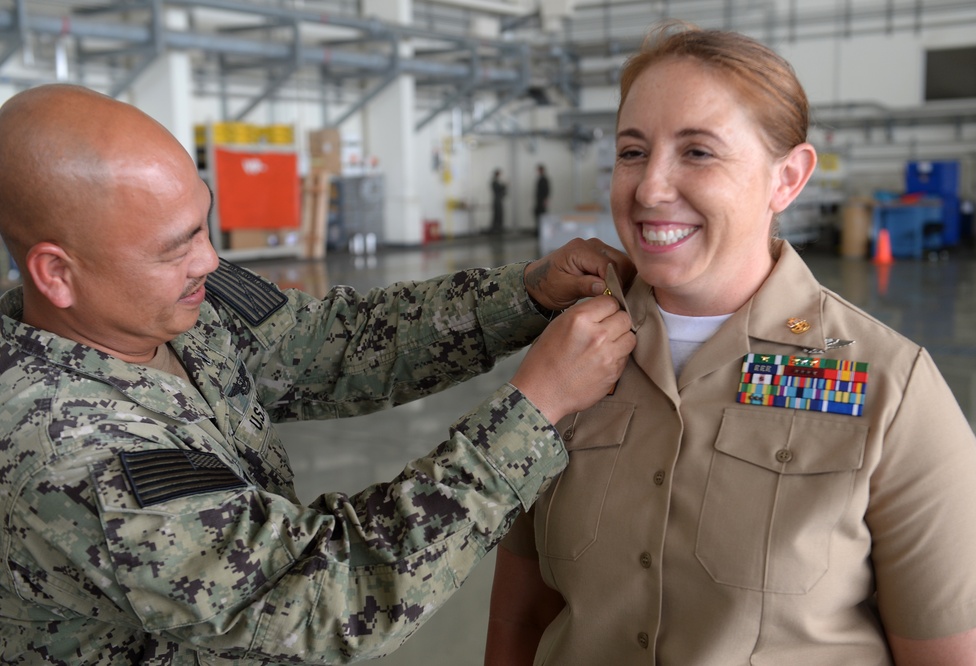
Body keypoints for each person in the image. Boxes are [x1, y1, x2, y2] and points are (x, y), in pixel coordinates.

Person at [0, 84, 637, 663]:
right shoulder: (66, 451)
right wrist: (534, 409)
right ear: (57, 273)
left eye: (204, 223)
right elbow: (327, 594)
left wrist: (524, 293)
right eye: (176, 245)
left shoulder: (168, 305)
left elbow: (333, 344)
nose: (210, 258)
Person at [485, 21, 976, 666]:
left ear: (787, 179)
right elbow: (520, 614)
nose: (649, 188)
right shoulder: (563, 365)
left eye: (698, 152)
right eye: (632, 151)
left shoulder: (888, 387)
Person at [533, 164, 550, 231]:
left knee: (542, 215)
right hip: (539, 200)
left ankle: (541, 230)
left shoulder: (544, 179)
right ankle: (538, 229)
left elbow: (546, 190)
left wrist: (545, 200)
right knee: (537, 214)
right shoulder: (540, 179)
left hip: (541, 201)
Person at [490, 168, 507, 234]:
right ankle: (496, 228)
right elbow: (499, 189)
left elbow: (502, 191)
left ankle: (499, 228)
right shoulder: (494, 182)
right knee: (497, 214)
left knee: (500, 214)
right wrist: (504, 185)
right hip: (497, 201)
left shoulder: (497, 182)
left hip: (499, 200)